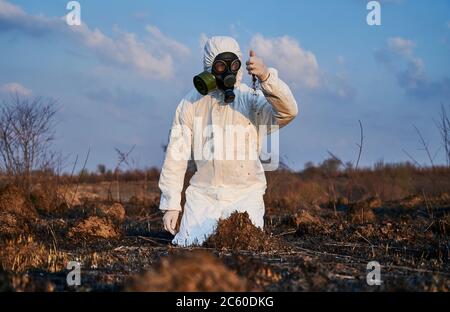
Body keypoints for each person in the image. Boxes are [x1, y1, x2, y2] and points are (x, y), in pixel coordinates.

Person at [158, 36, 298, 246]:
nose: (227, 72)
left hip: (246, 194)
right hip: (203, 196)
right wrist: (171, 203)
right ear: (209, 67)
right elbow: (175, 157)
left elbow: (288, 112)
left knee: (246, 247)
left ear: (240, 66)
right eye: (221, 65)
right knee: (190, 246)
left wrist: (267, 78)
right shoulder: (191, 103)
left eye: (233, 65)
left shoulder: (251, 99)